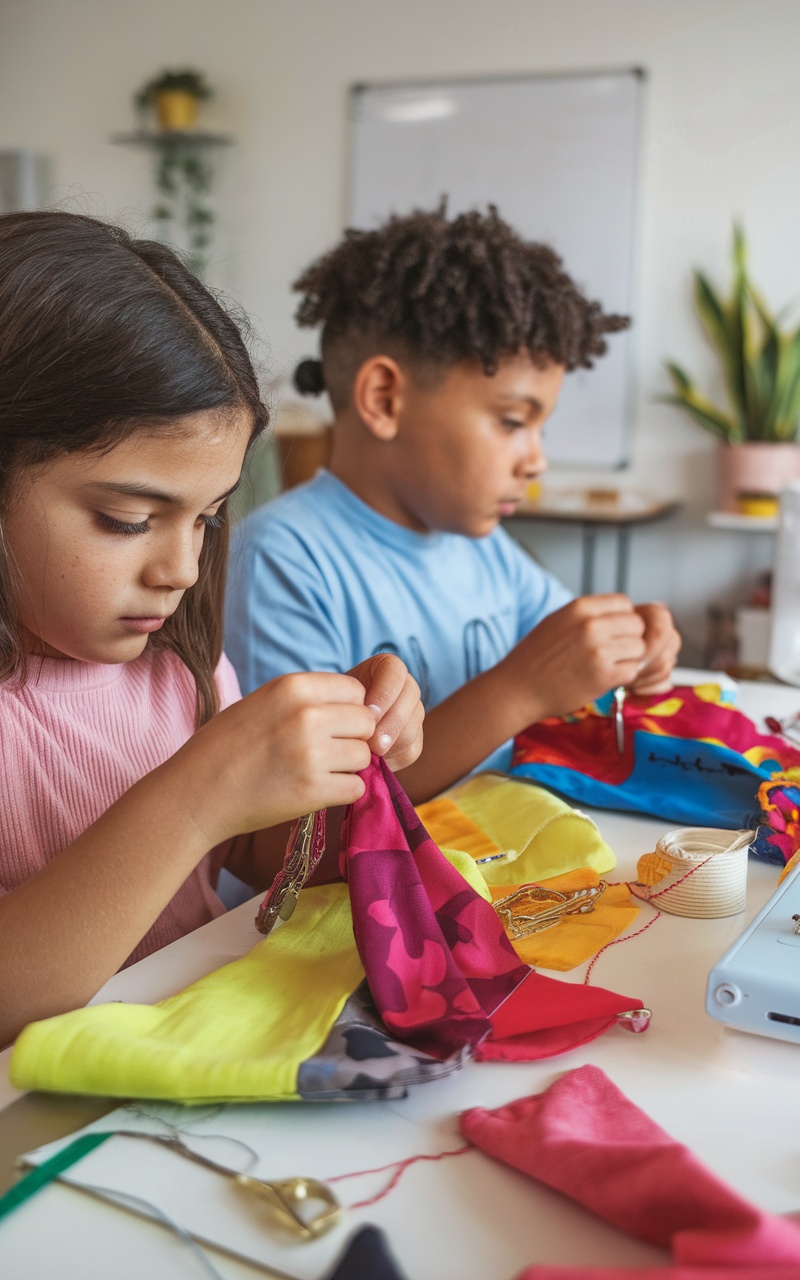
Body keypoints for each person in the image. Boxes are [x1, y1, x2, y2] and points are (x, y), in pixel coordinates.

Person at [0, 211, 423, 1047]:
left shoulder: (175, 670)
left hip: (188, 1061)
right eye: (126, 519)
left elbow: (259, 864)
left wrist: (338, 769)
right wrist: (197, 795)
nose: (182, 570)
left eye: (209, 520)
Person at [224, 205, 680, 804]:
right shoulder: (281, 559)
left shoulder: (483, 545)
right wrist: (517, 690)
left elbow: (571, 656)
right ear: (384, 399)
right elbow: (301, 831)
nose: (536, 460)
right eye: (513, 421)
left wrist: (628, 649)